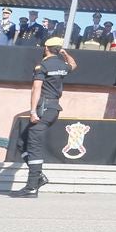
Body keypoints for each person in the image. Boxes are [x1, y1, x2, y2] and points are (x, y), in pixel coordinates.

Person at [10, 37, 76, 198]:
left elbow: (36, 88)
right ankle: (38, 177)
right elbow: (74, 65)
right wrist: (65, 54)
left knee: (33, 146)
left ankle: (32, 186)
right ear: (58, 49)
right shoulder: (62, 65)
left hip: (43, 108)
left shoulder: (43, 65)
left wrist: (32, 111)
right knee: (21, 143)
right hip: (53, 108)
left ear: (46, 48)